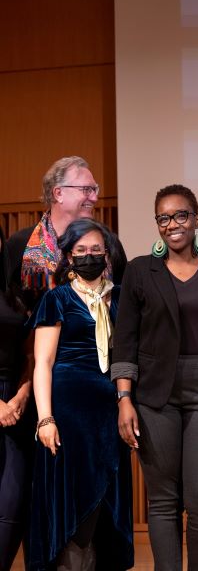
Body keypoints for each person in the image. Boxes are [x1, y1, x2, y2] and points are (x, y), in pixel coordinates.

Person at [111, 184, 198, 571]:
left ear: (197, 219)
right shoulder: (139, 270)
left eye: (181, 215)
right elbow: (125, 340)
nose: (172, 224)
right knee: (163, 500)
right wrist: (125, 399)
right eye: (163, 218)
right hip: (153, 396)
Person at [28, 218, 133, 570]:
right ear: (69, 256)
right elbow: (43, 362)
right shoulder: (56, 299)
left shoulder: (121, 297)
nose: (89, 256)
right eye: (81, 251)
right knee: (75, 508)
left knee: (106, 507)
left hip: (111, 414)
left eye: (96, 250)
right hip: (69, 417)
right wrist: (46, 418)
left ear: (108, 254)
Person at [6, 155, 126, 311]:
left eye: (95, 189)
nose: (95, 198)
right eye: (87, 190)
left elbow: (124, 300)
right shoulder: (19, 244)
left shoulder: (108, 241)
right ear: (58, 193)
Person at [0, 225, 32, 570]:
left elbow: (29, 352)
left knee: (13, 502)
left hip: (14, 400)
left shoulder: (15, 293)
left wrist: (23, 393)